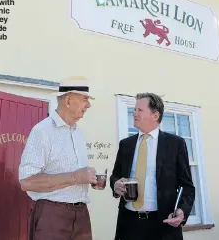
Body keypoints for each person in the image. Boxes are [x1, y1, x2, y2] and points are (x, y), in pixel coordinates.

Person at [19, 76, 97, 240]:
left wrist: (89, 179)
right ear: (68, 101)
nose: (88, 105)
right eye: (84, 99)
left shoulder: (78, 133)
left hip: (82, 215)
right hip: (52, 215)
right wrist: (76, 177)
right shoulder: (42, 131)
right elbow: (27, 182)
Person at [110, 93, 195, 240]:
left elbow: (187, 187)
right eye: (134, 109)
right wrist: (115, 185)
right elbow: (115, 175)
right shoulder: (126, 144)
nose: (134, 113)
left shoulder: (175, 144)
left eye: (139, 110)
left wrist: (182, 211)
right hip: (129, 224)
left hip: (162, 225)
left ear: (155, 115)